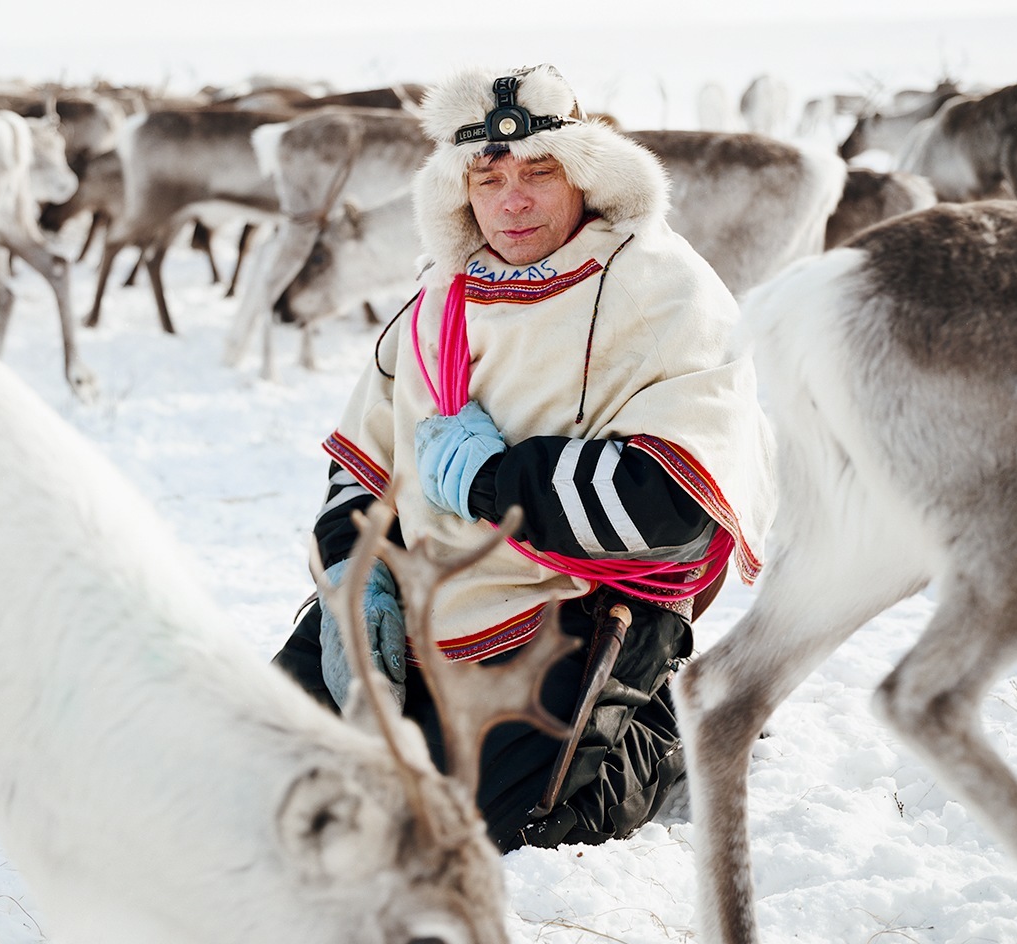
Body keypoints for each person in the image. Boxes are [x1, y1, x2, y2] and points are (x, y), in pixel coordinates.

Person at [273, 65, 775, 852]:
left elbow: (670, 503)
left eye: (540, 172)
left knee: (514, 829)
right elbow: (364, 463)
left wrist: (490, 480)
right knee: (270, 768)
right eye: (489, 175)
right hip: (418, 596)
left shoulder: (665, 289)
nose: (512, 199)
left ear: (586, 176)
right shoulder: (441, 297)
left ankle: (677, 722)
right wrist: (353, 572)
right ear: (459, 191)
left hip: (575, 599)